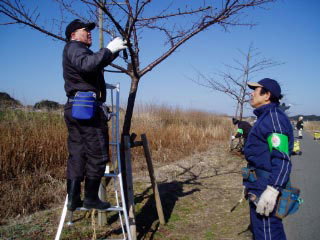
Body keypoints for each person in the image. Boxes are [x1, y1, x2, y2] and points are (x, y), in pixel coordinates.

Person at [63, 19, 127, 211]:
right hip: (87, 109)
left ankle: (73, 199)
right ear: (73, 35)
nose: (90, 33)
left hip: (77, 107)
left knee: (78, 155)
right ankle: (91, 198)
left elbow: (95, 63)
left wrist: (113, 51)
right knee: (98, 155)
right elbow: (88, 65)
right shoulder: (75, 47)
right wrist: (108, 49)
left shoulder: (76, 50)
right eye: (85, 30)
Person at [243, 78, 294, 239]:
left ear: (267, 95)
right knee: (263, 231)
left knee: (268, 233)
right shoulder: (265, 117)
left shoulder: (274, 119)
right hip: (258, 184)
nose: (251, 93)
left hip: (266, 186)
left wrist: (272, 190)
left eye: (255, 90)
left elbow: (283, 159)